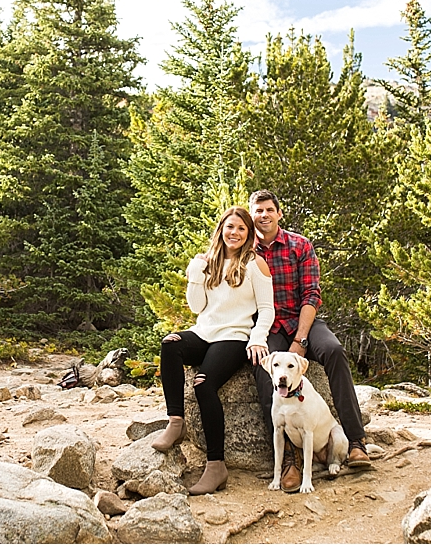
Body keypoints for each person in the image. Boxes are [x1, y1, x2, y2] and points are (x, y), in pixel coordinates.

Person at [248, 190, 372, 493]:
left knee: (333, 350)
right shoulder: (245, 251)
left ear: (279, 213)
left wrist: (301, 339)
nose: (263, 216)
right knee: (265, 370)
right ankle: (289, 460)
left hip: (302, 319)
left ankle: (355, 441)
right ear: (251, 216)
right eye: (257, 211)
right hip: (269, 325)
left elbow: (312, 295)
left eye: (268, 210)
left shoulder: (299, 245)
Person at [150, 206, 275, 495]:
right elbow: (196, 307)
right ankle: (176, 421)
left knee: (204, 384)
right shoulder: (208, 263)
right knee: (170, 345)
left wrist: (258, 337)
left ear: (248, 234)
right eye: (230, 227)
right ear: (221, 229)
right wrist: (195, 273)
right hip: (204, 332)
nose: (234, 233)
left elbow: (267, 309)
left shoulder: (255, 264)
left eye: (241, 229)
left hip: (234, 336)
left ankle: (216, 466)